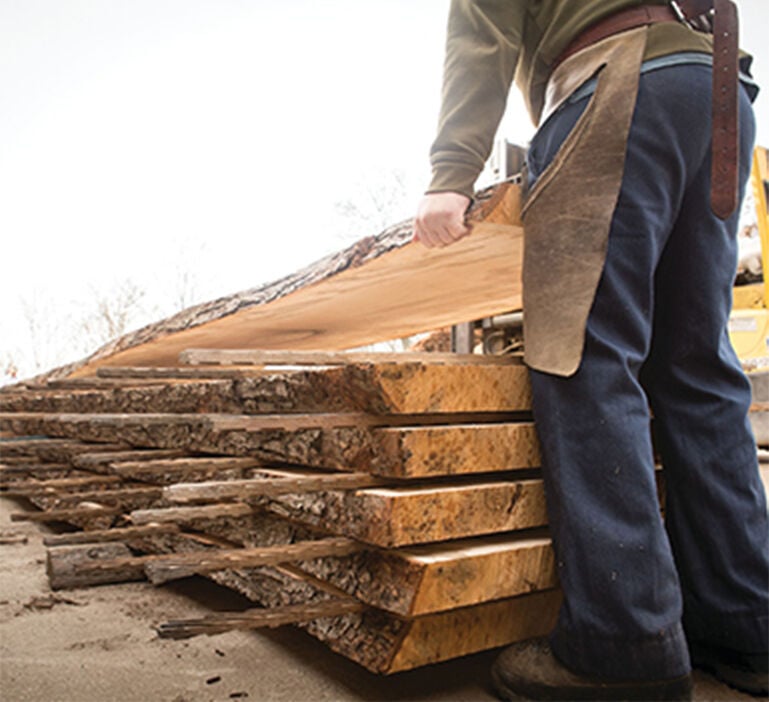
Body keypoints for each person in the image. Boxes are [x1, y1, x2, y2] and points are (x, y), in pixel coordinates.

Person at [413, 1, 769, 700]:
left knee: (583, 358)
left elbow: (482, 27)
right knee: (696, 368)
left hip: (619, 87)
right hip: (716, 91)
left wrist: (451, 171)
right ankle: (748, 627)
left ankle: (621, 642)